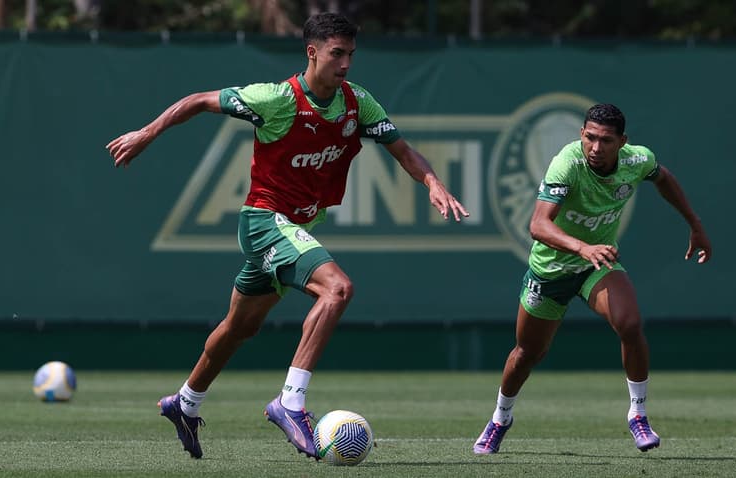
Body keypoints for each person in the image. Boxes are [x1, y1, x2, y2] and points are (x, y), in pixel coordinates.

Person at [106, 12, 468, 460]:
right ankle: (290, 401)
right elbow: (199, 100)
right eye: (337, 54)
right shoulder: (276, 99)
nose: (346, 64)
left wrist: (432, 182)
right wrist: (146, 133)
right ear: (312, 53)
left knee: (240, 326)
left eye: (351, 54)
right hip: (264, 221)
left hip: (295, 227)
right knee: (338, 290)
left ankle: (185, 401)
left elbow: (402, 150)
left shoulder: (358, 103)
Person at [473, 103, 711, 454]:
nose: (596, 148)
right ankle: (500, 418)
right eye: (590, 138)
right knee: (527, 352)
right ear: (581, 135)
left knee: (630, 324)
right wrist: (582, 247)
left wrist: (695, 224)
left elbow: (663, 178)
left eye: (606, 141)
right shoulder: (567, 163)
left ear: (622, 142)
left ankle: (638, 414)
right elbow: (537, 225)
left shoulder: (637, 160)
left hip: (595, 267)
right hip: (551, 270)